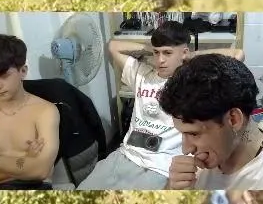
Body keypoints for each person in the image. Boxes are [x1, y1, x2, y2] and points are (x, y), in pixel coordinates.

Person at [76, 22, 217, 190]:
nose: (160, 60)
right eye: (156, 53)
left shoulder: (191, 82)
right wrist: (149, 48)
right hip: (126, 155)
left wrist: (191, 56)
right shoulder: (141, 74)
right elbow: (113, 46)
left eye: (167, 53)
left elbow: (237, 55)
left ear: (184, 52)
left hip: (159, 166)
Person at [160, 54, 263, 190]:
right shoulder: (204, 162)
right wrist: (172, 188)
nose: (186, 149)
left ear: (233, 120)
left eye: (194, 134)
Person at [0, 34, 60, 190]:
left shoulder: (45, 111)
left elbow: (41, 171)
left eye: (3, 76)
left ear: (23, 71)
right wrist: (27, 162)